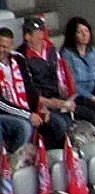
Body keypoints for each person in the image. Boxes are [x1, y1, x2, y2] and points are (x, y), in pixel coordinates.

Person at [16, 18, 70, 150]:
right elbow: (27, 91)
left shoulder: (51, 50)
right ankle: (43, 154)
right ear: (27, 36)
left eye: (42, 31)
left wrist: (67, 96)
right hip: (39, 104)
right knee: (60, 124)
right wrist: (46, 104)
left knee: (91, 114)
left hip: (57, 98)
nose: (42, 36)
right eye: (37, 33)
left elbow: (61, 76)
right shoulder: (20, 58)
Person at [0, 27, 38, 156]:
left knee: (58, 123)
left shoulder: (19, 59)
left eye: (5, 47)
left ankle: (42, 160)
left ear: (11, 46)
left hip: (23, 108)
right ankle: (13, 161)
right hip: (4, 112)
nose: (1, 50)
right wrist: (28, 115)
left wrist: (39, 108)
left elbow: (30, 88)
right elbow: (1, 103)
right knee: (24, 126)